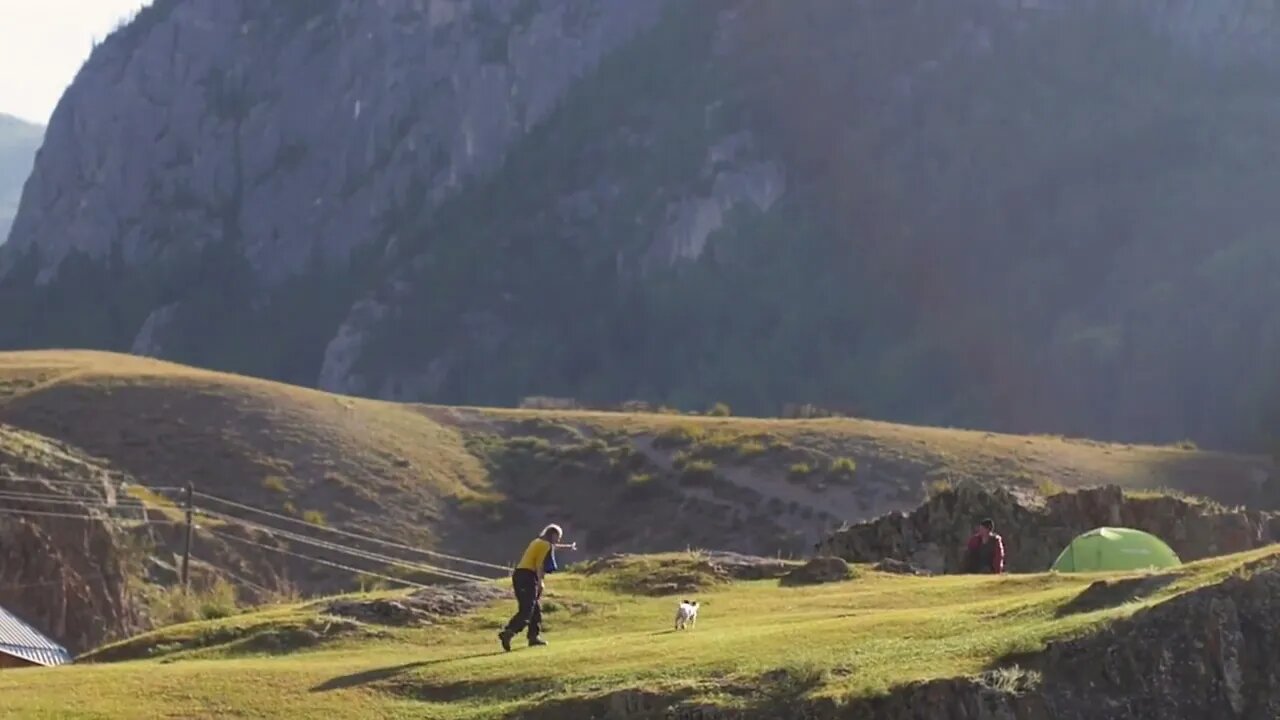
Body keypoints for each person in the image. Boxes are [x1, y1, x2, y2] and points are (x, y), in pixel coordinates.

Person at [498, 523, 575, 652]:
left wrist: (568, 547)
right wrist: (540, 583)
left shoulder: (538, 542)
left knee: (535, 609)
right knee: (527, 609)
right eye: (558, 536)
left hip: (519, 575)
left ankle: (533, 637)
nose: (559, 540)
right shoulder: (545, 545)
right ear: (553, 535)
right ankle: (509, 632)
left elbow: (553, 547)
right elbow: (540, 564)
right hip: (527, 576)